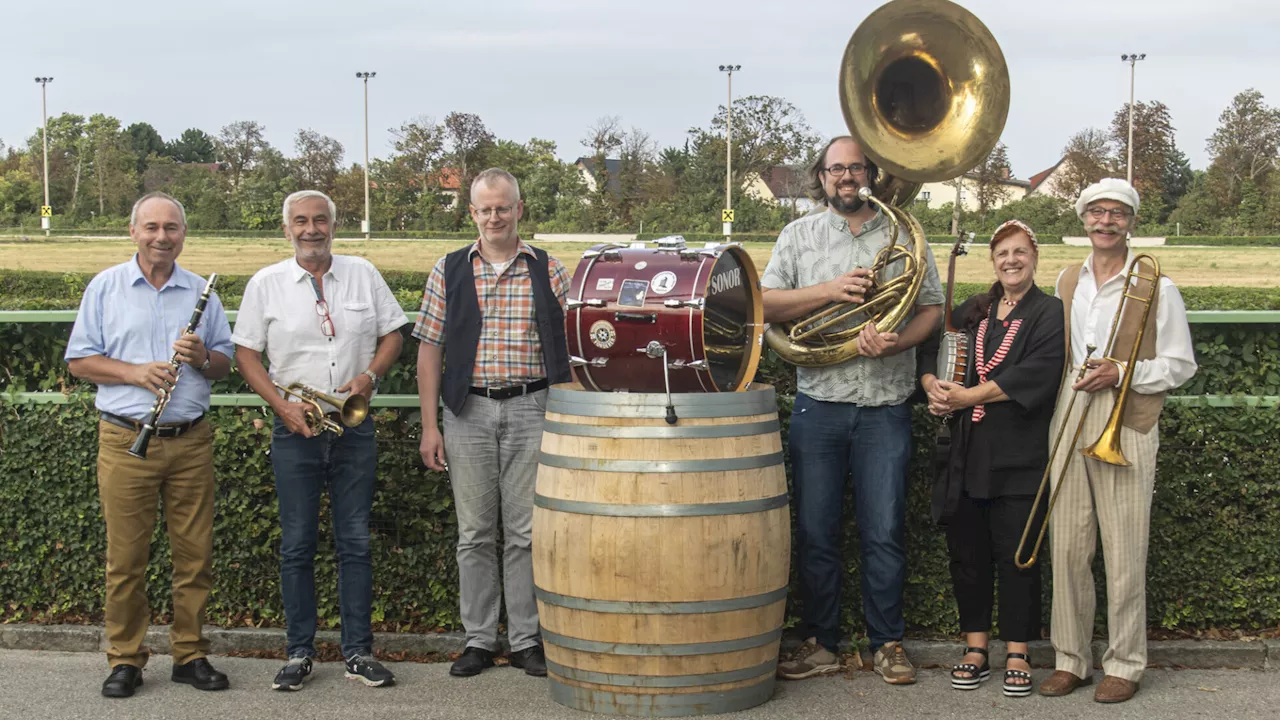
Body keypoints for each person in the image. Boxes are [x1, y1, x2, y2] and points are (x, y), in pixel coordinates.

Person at [763, 137, 944, 683]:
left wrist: (897, 341)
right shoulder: (798, 235)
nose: (846, 177)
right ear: (820, 177)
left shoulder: (903, 232)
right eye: (836, 169)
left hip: (884, 402)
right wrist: (830, 290)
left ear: (870, 173)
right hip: (820, 402)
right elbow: (766, 302)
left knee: (884, 529)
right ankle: (821, 642)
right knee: (817, 530)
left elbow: (931, 307)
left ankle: (887, 642)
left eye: (856, 167)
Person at [233, 190, 406, 690]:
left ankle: (358, 652)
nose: (312, 229)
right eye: (301, 221)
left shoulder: (363, 272)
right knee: (297, 545)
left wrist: (370, 377)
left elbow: (394, 332)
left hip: (353, 427)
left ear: (334, 224)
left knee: (354, 542)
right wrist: (281, 406)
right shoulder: (266, 283)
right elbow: (245, 353)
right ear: (287, 228)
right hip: (296, 428)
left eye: (320, 220)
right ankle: (299, 653)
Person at [66, 191, 234, 698]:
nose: (162, 237)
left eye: (172, 228)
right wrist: (135, 373)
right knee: (126, 558)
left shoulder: (201, 292)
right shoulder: (106, 287)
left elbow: (225, 364)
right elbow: (79, 361)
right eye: (152, 227)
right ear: (134, 231)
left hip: (189, 440)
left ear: (184, 233)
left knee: (194, 555)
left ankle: (190, 654)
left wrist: (203, 355)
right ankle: (125, 659)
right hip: (124, 437)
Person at [1038, 179, 1197, 704]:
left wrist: (1120, 371)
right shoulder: (1067, 279)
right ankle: (1070, 659)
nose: (1106, 222)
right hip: (1071, 404)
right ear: (1083, 220)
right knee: (1067, 547)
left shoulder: (1157, 286)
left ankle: (1126, 663)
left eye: (1117, 214)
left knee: (1125, 550)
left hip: (1125, 417)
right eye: (1097, 213)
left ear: (1130, 222)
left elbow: (1179, 365)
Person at [414, 167, 571, 678]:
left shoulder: (550, 269)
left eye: (503, 207)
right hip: (467, 412)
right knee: (475, 533)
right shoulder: (449, 268)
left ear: (519, 209)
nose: (495, 216)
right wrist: (430, 426)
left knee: (527, 533)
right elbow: (429, 351)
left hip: (533, 408)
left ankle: (527, 640)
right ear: (473, 214)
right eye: (485, 209)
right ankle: (479, 640)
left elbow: (576, 345)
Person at [919, 220, 1064, 698]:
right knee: (968, 555)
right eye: (1002, 253)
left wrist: (967, 396)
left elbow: (1036, 373)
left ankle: (1018, 652)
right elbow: (930, 346)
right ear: (993, 261)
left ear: (1035, 257)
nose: (1011, 261)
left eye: (1020, 252)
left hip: (1020, 457)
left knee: (1016, 557)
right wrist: (933, 387)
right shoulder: (977, 310)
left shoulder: (1049, 312)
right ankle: (976, 649)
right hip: (967, 453)